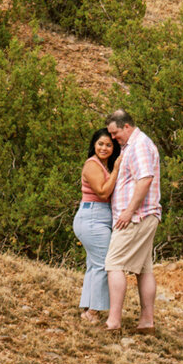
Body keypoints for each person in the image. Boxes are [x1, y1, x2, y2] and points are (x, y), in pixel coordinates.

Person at [103, 108, 161, 333]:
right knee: (144, 269)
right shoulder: (134, 146)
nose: (113, 138)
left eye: (115, 133)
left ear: (126, 126)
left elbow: (145, 180)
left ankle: (113, 321)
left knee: (114, 263)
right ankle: (147, 321)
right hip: (144, 215)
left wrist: (128, 211)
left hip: (137, 216)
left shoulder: (139, 146)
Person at [74, 130, 119, 325]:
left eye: (108, 145)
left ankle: (88, 310)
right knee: (103, 264)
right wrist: (117, 170)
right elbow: (102, 192)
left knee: (94, 265)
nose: (104, 148)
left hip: (97, 216)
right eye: (101, 144)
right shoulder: (92, 164)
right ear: (94, 144)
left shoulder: (102, 165)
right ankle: (94, 311)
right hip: (93, 216)